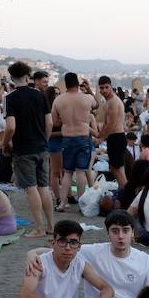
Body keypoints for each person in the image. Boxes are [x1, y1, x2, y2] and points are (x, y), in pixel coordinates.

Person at [15, 220, 116, 298]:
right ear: (53, 243)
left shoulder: (79, 262)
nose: (68, 248)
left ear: (79, 246)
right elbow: (25, 295)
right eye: (63, 241)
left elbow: (106, 288)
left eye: (73, 243)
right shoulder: (39, 263)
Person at [3, 64, 54, 237]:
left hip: (23, 149)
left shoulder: (11, 98)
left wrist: (5, 144)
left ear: (11, 78)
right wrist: (44, 141)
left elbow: (10, 127)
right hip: (41, 147)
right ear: (28, 76)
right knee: (44, 187)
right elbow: (50, 123)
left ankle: (39, 228)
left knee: (31, 188)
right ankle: (51, 227)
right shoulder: (40, 95)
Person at [52, 72, 97, 207]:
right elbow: (96, 105)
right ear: (77, 84)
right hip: (83, 137)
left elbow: (54, 122)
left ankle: (62, 203)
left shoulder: (58, 100)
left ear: (65, 84)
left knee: (67, 172)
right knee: (81, 172)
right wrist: (88, 89)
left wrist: (65, 120)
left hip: (67, 137)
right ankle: (82, 203)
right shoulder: (86, 98)